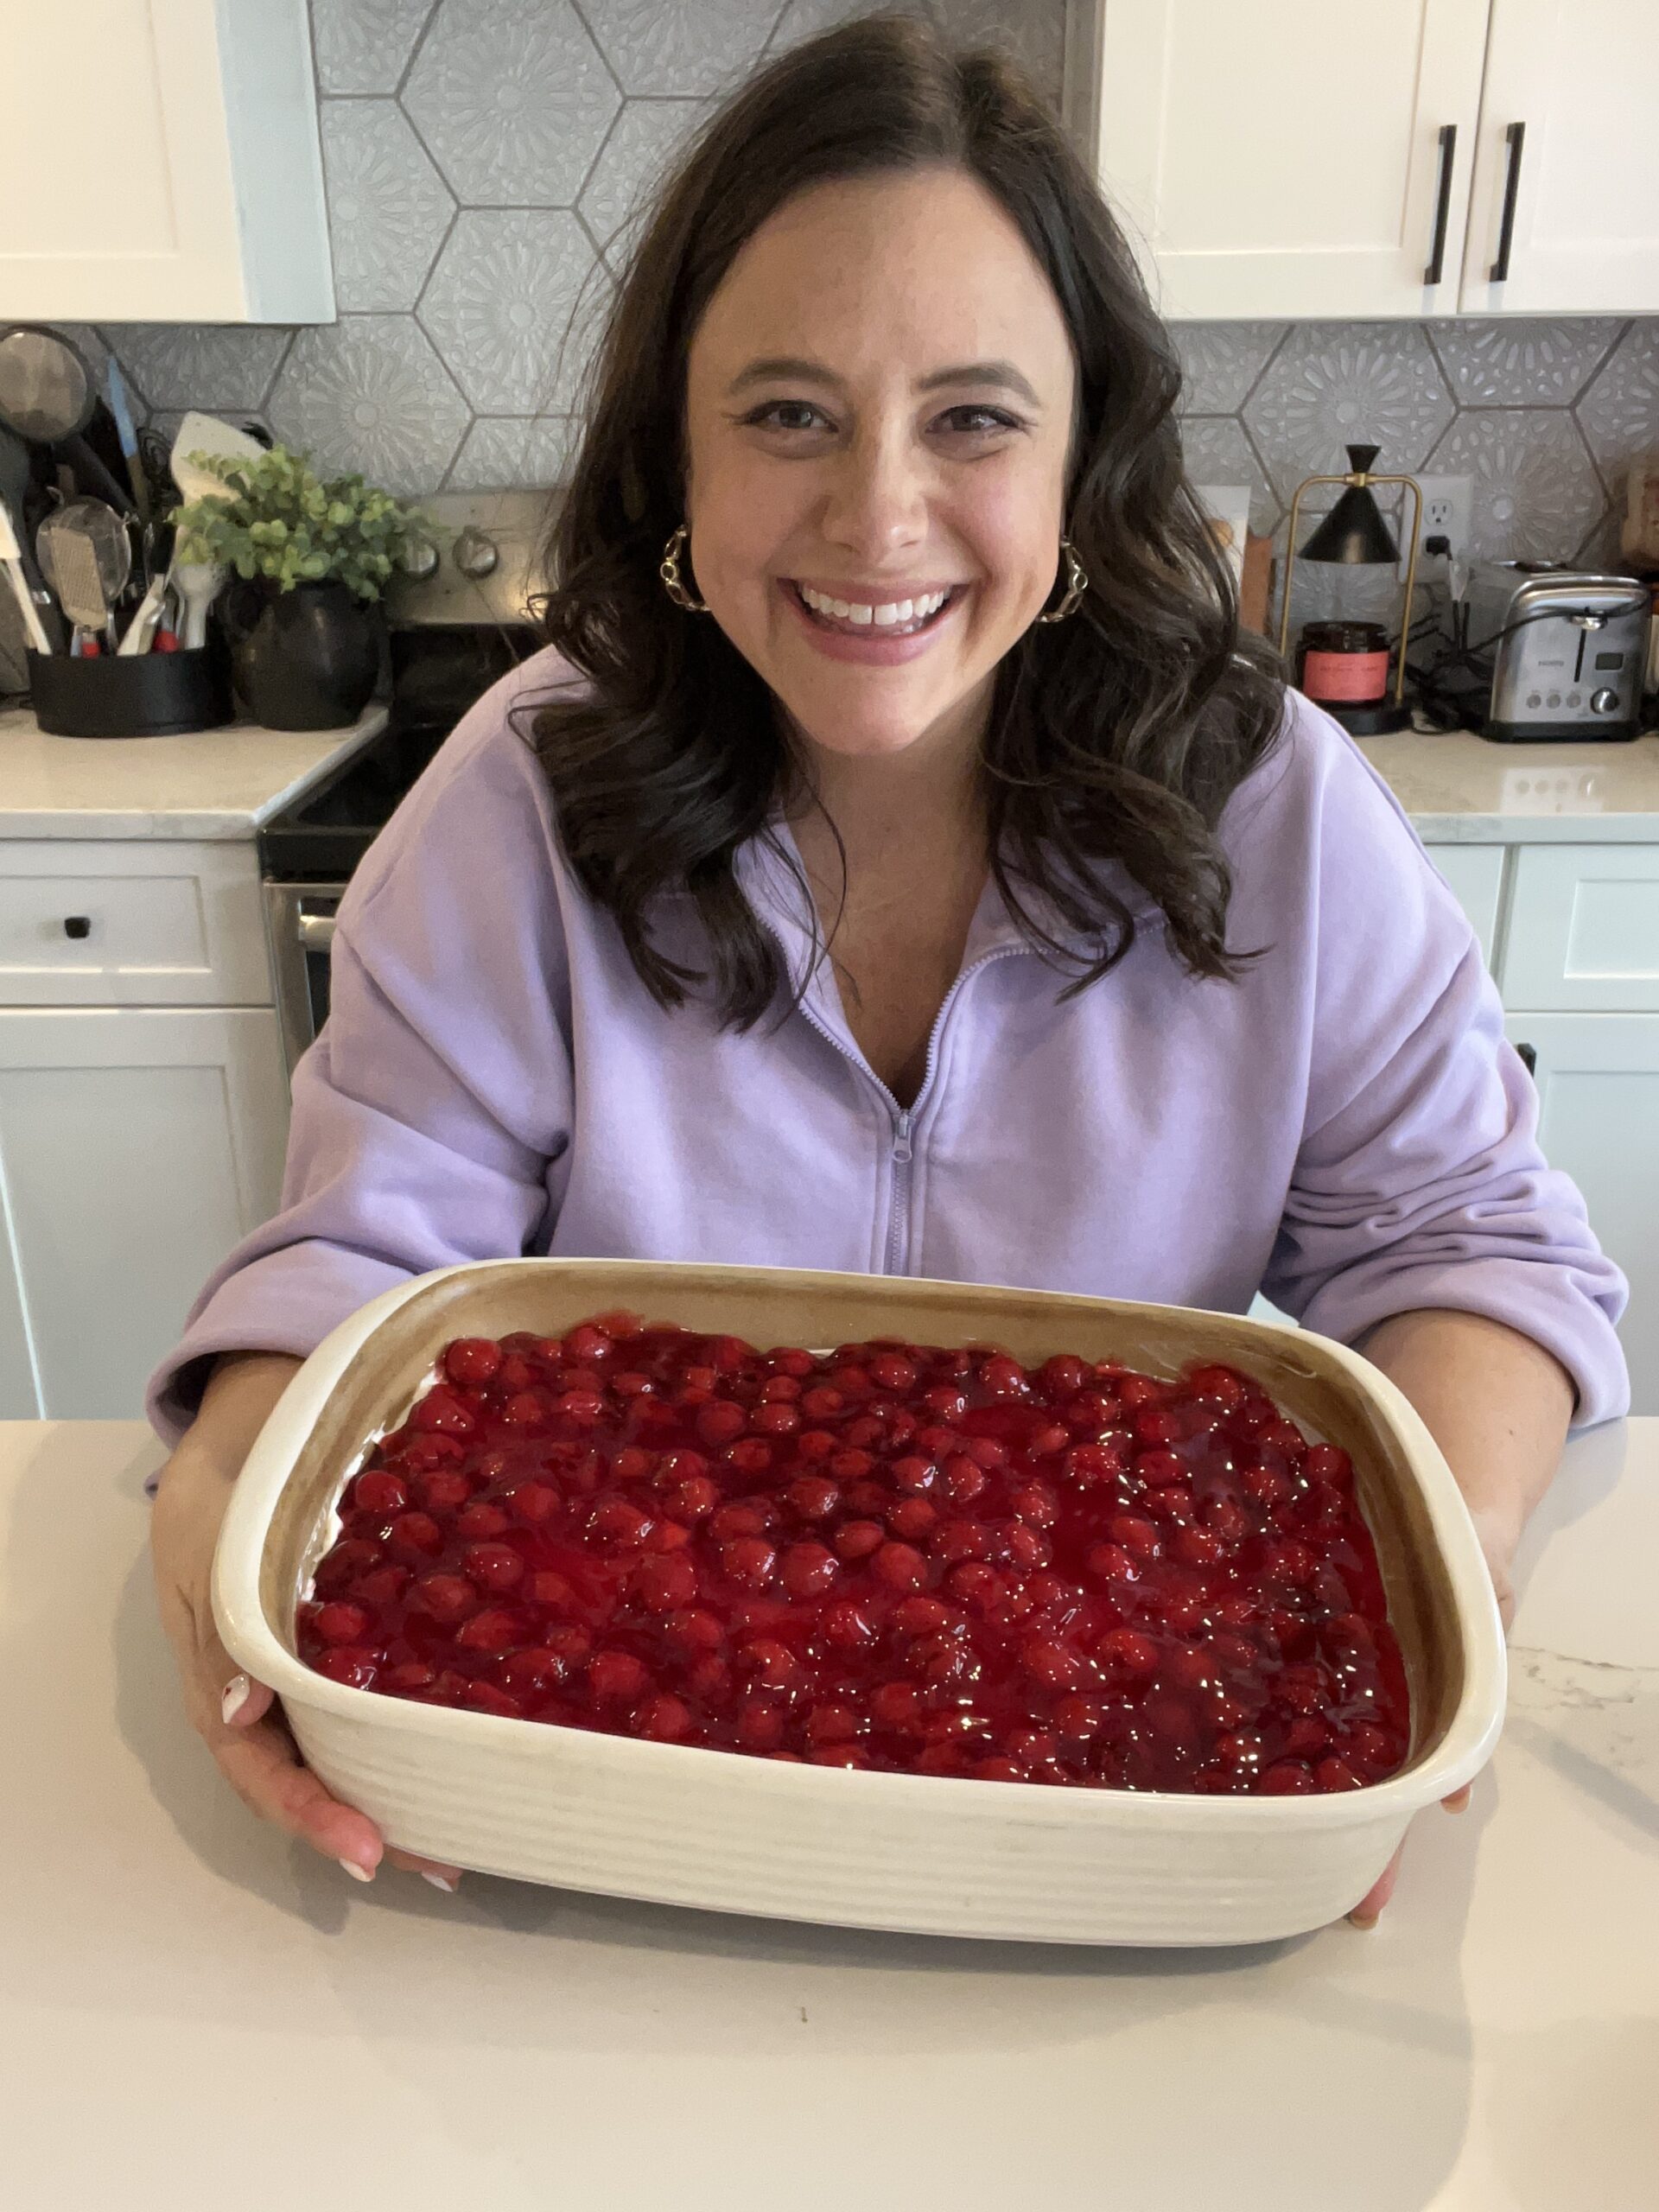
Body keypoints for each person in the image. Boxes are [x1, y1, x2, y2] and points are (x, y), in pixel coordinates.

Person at [148, 18, 1627, 1917]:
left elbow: (1473, 1250)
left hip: (1129, 1875)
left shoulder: (1280, 809)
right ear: (672, 449)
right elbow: (365, 1268)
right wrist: (234, 1500)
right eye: (785, 411)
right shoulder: (521, 794)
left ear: (1083, 449)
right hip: (584, 1874)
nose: (877, 515)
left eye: (975, 417)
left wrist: (1444, 1585)